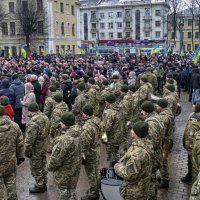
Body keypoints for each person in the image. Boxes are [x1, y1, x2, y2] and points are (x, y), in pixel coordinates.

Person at [114, 121, 153, 200]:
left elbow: (129, 175)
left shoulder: (136, 154)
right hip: (143, 187)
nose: (131, 130)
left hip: (135, 193)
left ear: (137, 134)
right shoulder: (147, 144)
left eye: (133, 130)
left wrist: (117, 167)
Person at [48, 112, 82, 200]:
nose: (60, 123)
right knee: (72, 192)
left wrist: (49, 167)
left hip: (64, 172)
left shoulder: (64, 139)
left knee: (64, 194)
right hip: (75, 169)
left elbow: (56, 159)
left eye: (62, 122)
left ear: (66, 124)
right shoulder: (80, 133)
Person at [0, 106, 24, 200]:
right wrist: (20, 157)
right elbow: (20, 143)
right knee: (11, 186)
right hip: (10, 162)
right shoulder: (14, 126)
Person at [24, 103, 49, 193]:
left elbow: (29, 140)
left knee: (36, 167)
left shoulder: (33, 123)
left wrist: (27, 152)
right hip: (43, 146)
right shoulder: (45, 117)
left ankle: (39, 185)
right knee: (43, 164)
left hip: (36, 148)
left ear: (31, 111)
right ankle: (44, 183)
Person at [80, 105, 102, 200]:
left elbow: (84, 144)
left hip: (90, 153)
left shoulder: (87, 127)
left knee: (91, 173)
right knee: (95, 171)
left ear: (85, 114)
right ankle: (96, 189)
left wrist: (82, 156)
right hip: (97, 149)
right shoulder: (98, 120)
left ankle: (93, 194)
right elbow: (104, 132)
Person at [156, 99, 173, 188]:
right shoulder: (168, 111)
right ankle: (162, 176)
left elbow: (161, 133)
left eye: (158, 105)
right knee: (163, 159)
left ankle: (165, 180)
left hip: (164, 142)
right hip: (167, 140)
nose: (156, 107)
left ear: (161, 107)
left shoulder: (163, 117)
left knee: (163, 160)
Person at [102, 93, 124, 162]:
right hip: (119, 135)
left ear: (108, 102)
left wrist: (103, 138)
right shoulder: (119, 109)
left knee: (110, 155)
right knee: (116, 153)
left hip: (111, 138)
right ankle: (117, 164)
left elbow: (106, 128)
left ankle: (111, 168)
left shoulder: (109, 112)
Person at [182, 103, 200, 184]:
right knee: (192, 163)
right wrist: (192, 152)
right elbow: (189, 140)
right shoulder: (193, 123)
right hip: (193, 150)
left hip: (196, 148)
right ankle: (190, 178)